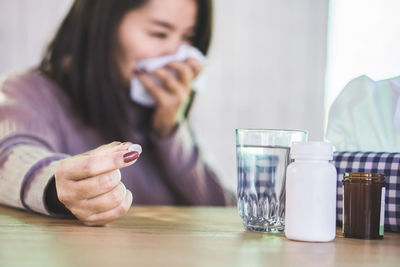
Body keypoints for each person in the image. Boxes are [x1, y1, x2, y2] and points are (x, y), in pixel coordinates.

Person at [0, 0, 232, 226]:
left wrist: (171, 130)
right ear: (103, 26)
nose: (177, 54)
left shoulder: (164, 120)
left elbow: (225, 211)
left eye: (187, 38)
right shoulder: (29, 92)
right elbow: (10, 157)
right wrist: (57, 184)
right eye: (159, 34)